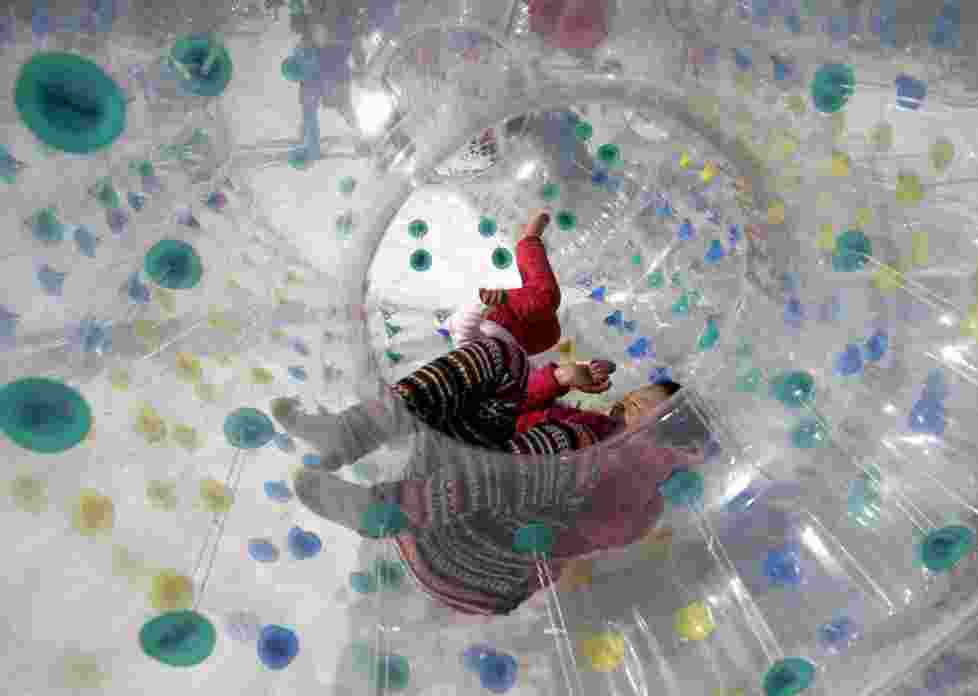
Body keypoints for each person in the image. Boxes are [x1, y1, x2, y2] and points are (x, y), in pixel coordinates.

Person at [270, 212, 709, 614]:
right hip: (451, 485)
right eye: (636, 395)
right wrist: (559, 379)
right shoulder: (588, 424)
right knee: (505, 360)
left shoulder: (639, 490)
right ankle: (351, 431)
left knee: (574, 447)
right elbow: (515, 411)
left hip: (481, 552)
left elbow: (580, 526)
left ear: (671, 426)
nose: (632, 398)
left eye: (647, 401)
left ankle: (391, 507)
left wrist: (616, 454)